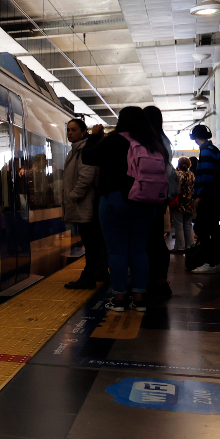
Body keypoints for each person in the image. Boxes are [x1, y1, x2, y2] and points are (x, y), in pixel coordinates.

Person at [82, 106, 166, 312]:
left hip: (115, 200)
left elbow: (88, 157)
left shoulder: (114, 139)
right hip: (146, 203)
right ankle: (139, 297)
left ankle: (119, 298)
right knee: (139, 250)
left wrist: (95, 137)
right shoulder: (152, 143)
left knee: (117, 251)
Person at [62, 118, 107, 288]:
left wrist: (73, 196)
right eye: (68, 130)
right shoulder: (75, 150)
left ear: (83, 132)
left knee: (90, 243)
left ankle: (89, 277)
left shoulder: (83, 150)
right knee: (91, 242)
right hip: (83, 204)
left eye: (74, 130)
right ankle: (95, 273)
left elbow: (86, 176)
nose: (70, 133)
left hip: (86, 204)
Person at [188, 124, 220, 273]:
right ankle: (218, 260)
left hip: (208, 197)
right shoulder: (213, 150)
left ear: (195, 138)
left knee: (201, 227)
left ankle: (212, 261)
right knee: (212, 228)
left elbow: (207, 175)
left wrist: (200, 196)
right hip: (214, 196)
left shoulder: (206, 151)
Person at [144, 106, 174, 297]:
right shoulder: (164, 141)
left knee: (151, 240)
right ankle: (160, 281)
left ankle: (156, 281)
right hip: (161, 196)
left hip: (150, 197)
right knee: (156, 239)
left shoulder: (151, 142)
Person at [170, 157, 196, 252]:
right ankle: (190, 246)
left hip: (179, 203)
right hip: (190, 203)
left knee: (179, 225)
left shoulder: (178, 174)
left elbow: (174, 188)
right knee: (188, 225)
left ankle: (180, 247)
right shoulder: (192, 174)